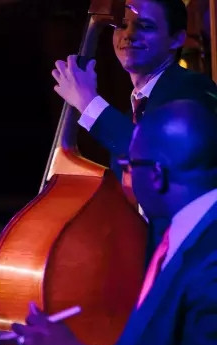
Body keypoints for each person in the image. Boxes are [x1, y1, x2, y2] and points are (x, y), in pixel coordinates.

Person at [12, 99, 217, 345]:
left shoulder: (210, 255)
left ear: (157, 174)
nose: (126, 177)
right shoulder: (186, 234)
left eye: (129, 165)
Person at [52, 0, 217, 260]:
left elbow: (157, 159)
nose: (128, 35)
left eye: (145, 26)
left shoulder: (193, 91)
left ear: (176, 39)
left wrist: (88, 103)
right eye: (122, 25)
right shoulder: (136, 109)